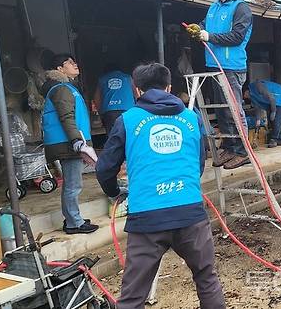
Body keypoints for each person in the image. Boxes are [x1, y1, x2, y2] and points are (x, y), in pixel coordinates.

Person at [96, 63, 225, 309]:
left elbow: (104, 168)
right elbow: (199, 162)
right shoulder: (191, 117)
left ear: (137, 90)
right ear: (169, 87)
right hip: (190, 214)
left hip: (147, 218)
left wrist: (115, 192)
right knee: (207, 278)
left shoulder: (127, 120)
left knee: (133, 296)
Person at [195, 0, 253, 169]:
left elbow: (237, 37)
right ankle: (230, 147)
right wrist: (197, 29)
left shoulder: (241, 8)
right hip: (213, 64)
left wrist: (209, 37)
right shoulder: (214, 7)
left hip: (231, 66)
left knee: (233, 110)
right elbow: (204, 25)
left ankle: (243, 151)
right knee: (222, 111)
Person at [41, 54, 98, 234]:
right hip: (68, 142)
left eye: (75, 61)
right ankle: (74, 223)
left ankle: (73, 218)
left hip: (69, 140)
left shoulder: (66, 87)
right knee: (74, 184)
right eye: (70, 63)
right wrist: (77, 141)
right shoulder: (61, 88)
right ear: (59, 69)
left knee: (73, 183)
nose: (75, 64)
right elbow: (67, 117)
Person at [93, 63, 136, 134]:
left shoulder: (102, 79)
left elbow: (97, 98)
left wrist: (101, 113)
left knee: (113, 136)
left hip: (110, 112)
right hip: (128, 109)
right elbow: (136, 94)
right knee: (130, 134)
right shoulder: (128, 77)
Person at [247, 79, 281, 148]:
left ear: (246, 90)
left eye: (244, 95)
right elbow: (257, 107)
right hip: (272, 101)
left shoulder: (258, 86)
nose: (245, 97)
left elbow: (271, 98)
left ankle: (274, 139)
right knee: (271, 120)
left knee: (276, 119)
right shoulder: (252, 96)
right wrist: (258, 119)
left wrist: (273, 111)